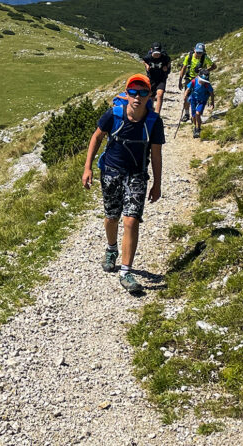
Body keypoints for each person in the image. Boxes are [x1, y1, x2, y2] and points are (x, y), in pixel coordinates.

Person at [81, 74, 164, 294]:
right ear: (127, 94)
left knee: (131, 220)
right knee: (112, 217)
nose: (138, 97)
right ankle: (111, 248)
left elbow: (156, 154)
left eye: (143, 92)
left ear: (149, 96)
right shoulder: (114, 114)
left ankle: (126, 272)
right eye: (133, 92)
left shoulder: (154, 122)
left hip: (137, 174)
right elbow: (96, 137)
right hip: (111, 172)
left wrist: (157, 183)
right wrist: (87, 167)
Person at [178, 43, 216, 121]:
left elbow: (214, 66)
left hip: (201, 79)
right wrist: (180, 80)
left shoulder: (205, 57)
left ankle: (195, 115)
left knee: (199, 96)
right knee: (187, 97)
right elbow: (184, 68)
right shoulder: (189, 57)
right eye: (197, 52)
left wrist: (205, 71)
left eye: (200, 52)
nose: (199, 54)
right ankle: (187, 114)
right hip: (190, 78)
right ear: (194, 50)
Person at [141, 42, 171, 115]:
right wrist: (146, 65)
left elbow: (169, 61)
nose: (157, 55)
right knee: (151, 96)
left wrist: (166, 67)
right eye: (155, 53)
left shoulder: (164, 57)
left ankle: (157, 114)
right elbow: (144, 60)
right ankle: (150, 112)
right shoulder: (148, 57)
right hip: (151, 78)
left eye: (158, 53)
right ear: (151, 50)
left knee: (160, 94)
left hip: (161, 78)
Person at [184, 69, 214, 138]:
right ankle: (195, 127)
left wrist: (212, 102)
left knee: (198, 113)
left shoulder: (207, 84)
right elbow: (188, 89)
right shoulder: (194, 81)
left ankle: (198, 128)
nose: (203, 82)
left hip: (202, 100)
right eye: (202, 81)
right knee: (194, 115)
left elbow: (212, 93)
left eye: (204, 81)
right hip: (193, 99)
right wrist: (185, 96)